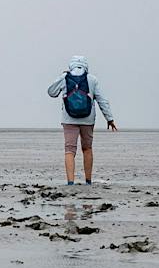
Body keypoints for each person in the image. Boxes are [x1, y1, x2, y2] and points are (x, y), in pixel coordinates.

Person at [46, 55, 115, 184]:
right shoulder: (92, 79)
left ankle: (70, 182)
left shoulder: (65, 77)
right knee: (87, 148)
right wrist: (109, 118)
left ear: (70, 65)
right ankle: (88, 181)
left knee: (69, 150)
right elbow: (102, 100)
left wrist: (62, 76)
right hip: (88, 119)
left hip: (69, 119)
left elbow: (51, 92)